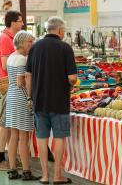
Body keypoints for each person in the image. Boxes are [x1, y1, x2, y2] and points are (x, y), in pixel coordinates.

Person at [26, 17, 77, 184]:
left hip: (39, 100)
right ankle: (57, 175)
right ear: (61, 30)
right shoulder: (65, 48)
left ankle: (45, 175)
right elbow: (72, 77)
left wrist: (30, 96)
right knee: (59, 137)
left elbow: (28, 75)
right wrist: (73, 83)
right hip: (59, 101)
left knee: (41, 137)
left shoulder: (34, 47)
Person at [5, 31, 40, 181]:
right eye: (29, 42)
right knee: (23, 137)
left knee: (14, 135)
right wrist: (30, 97)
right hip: (20, 97)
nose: (31, 45)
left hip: (11, 95)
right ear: (21, 43)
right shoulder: (22, 59)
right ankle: (26, 170)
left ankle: (12, 169)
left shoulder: (11, 57)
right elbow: (21, 82)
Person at [0, 10, 24, 171]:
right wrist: (21, 55)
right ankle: (0, 159)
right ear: (13, 22)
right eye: (20, 21)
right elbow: (6, 65)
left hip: (11, 84)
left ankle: (10, 157)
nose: (22, 24)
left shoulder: (9, 38)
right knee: (5, 123)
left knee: (9, 123)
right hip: (8, 84)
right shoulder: (6, 39)